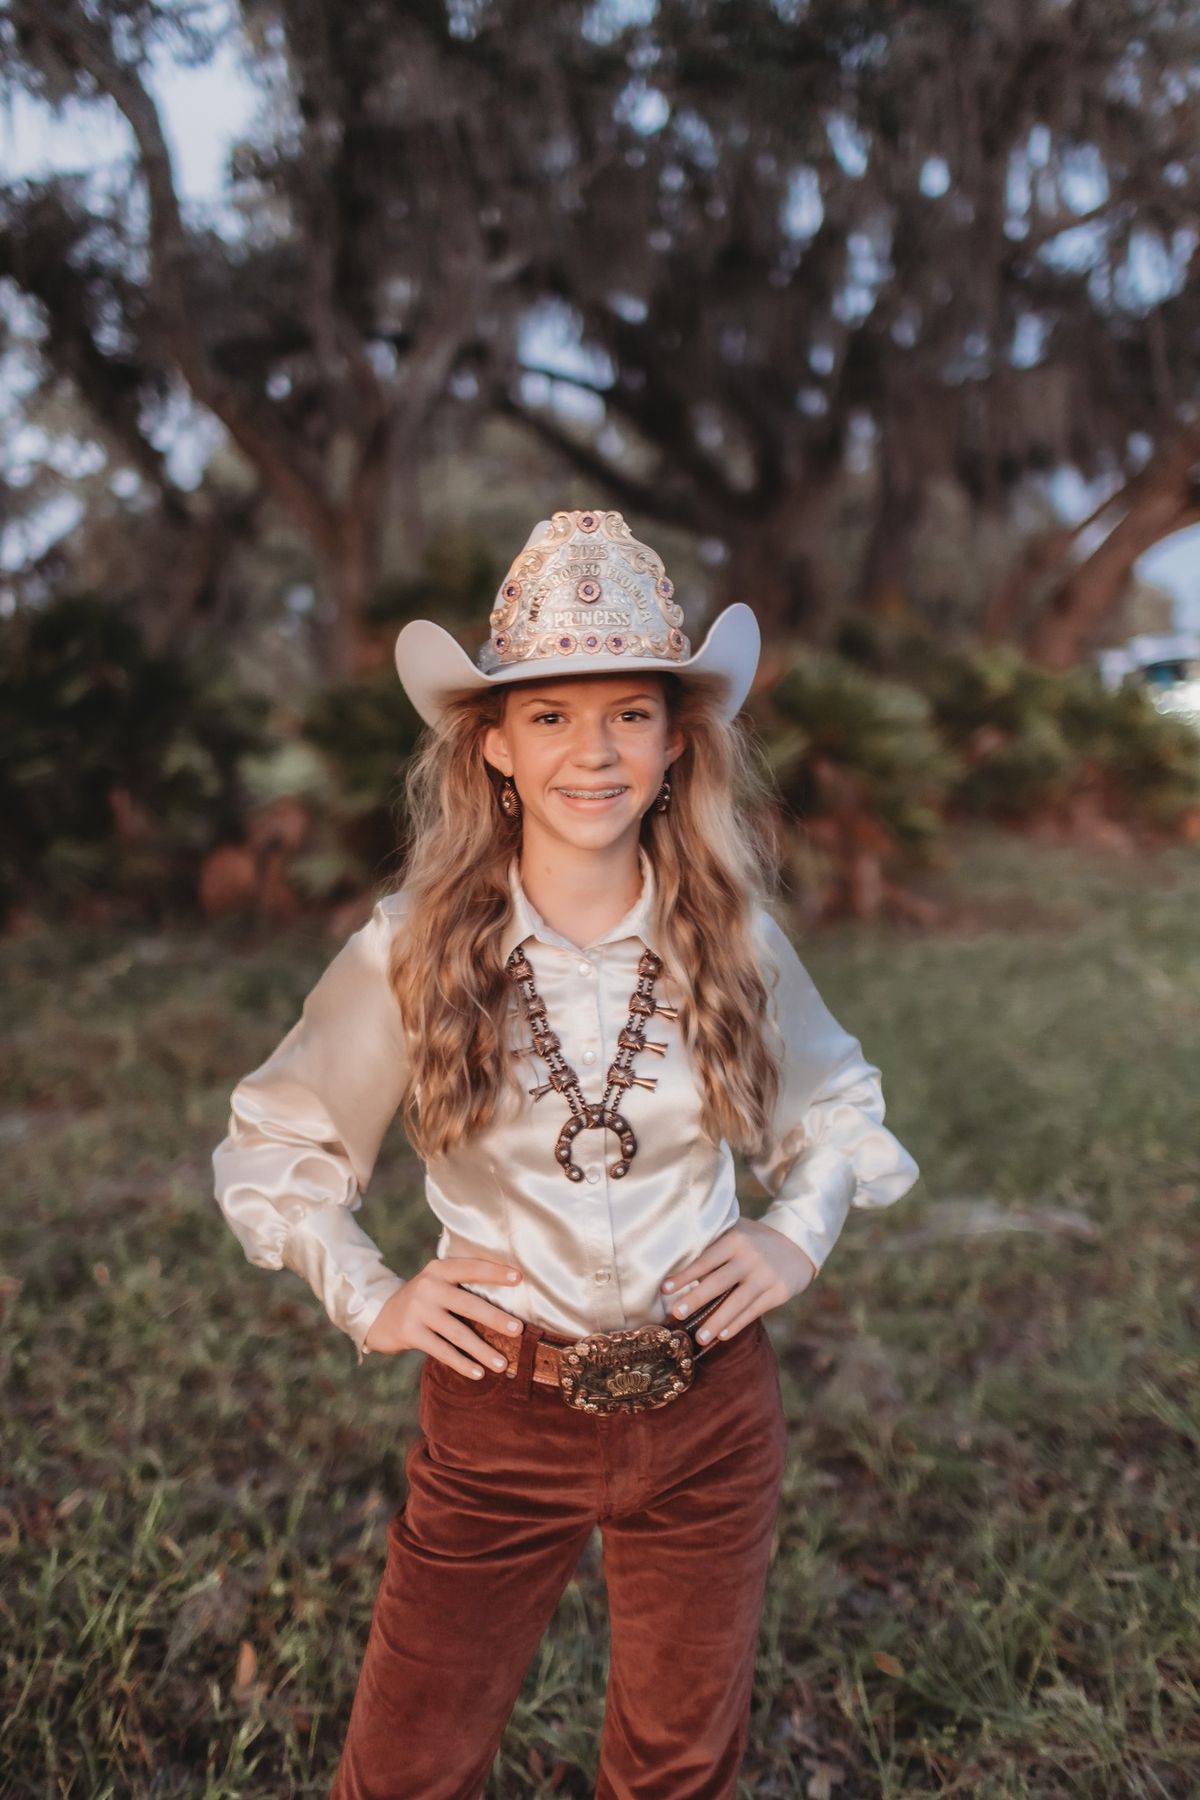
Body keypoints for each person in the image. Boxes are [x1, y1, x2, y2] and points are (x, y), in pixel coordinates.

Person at [211, 508, 920, 1800]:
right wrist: (376, 1297)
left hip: (710, 1406)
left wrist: (796, 1227)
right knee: (408, 1765)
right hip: (499, 1412)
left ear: (674, 742)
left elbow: (838, 1106)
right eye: (550, 716)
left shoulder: (733, 937)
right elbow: (279, 1141)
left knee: (676, 1767)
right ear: (491, 746)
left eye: (630, 715)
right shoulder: (410, 948)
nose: (593, 753)